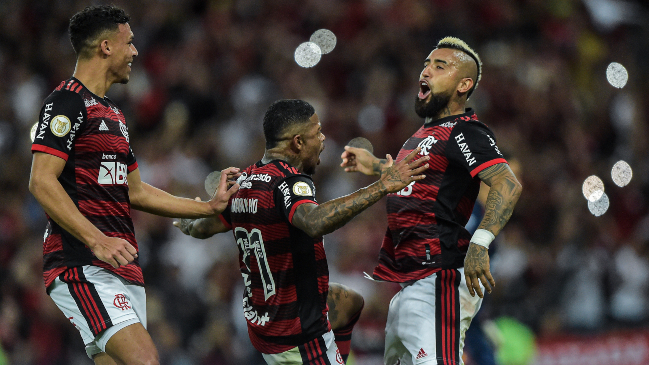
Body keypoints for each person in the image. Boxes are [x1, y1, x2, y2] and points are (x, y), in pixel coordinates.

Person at [28, 5, 239, 365]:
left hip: (122, 269)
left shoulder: (113, 114)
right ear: (106, 46)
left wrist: (207, 206)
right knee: (147, 361)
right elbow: (41, 181)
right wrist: (96, 239)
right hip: (82, 264)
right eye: (129, 43)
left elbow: (136, 191)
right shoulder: (67, 101)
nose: (135, 52)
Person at [174, 99, 429, 364]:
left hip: (264, 325)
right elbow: (314, 221)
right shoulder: (288, 181)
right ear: (297, 142)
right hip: (299, 337)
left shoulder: (245, 181)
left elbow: (205, 227)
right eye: (317, 133)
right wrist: (383, 185)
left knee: (350, 301)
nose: (323, 139)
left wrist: (188, 222)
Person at [340, 37, 523, 365]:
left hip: (438, 280)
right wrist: (375, 166)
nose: (426, 71)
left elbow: (507, 184)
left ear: (463, 84)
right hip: (410, 285)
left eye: (439, 66)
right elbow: (418, 177)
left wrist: (480, 244)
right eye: (426, 64)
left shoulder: (465, 131)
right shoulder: (423, 137)